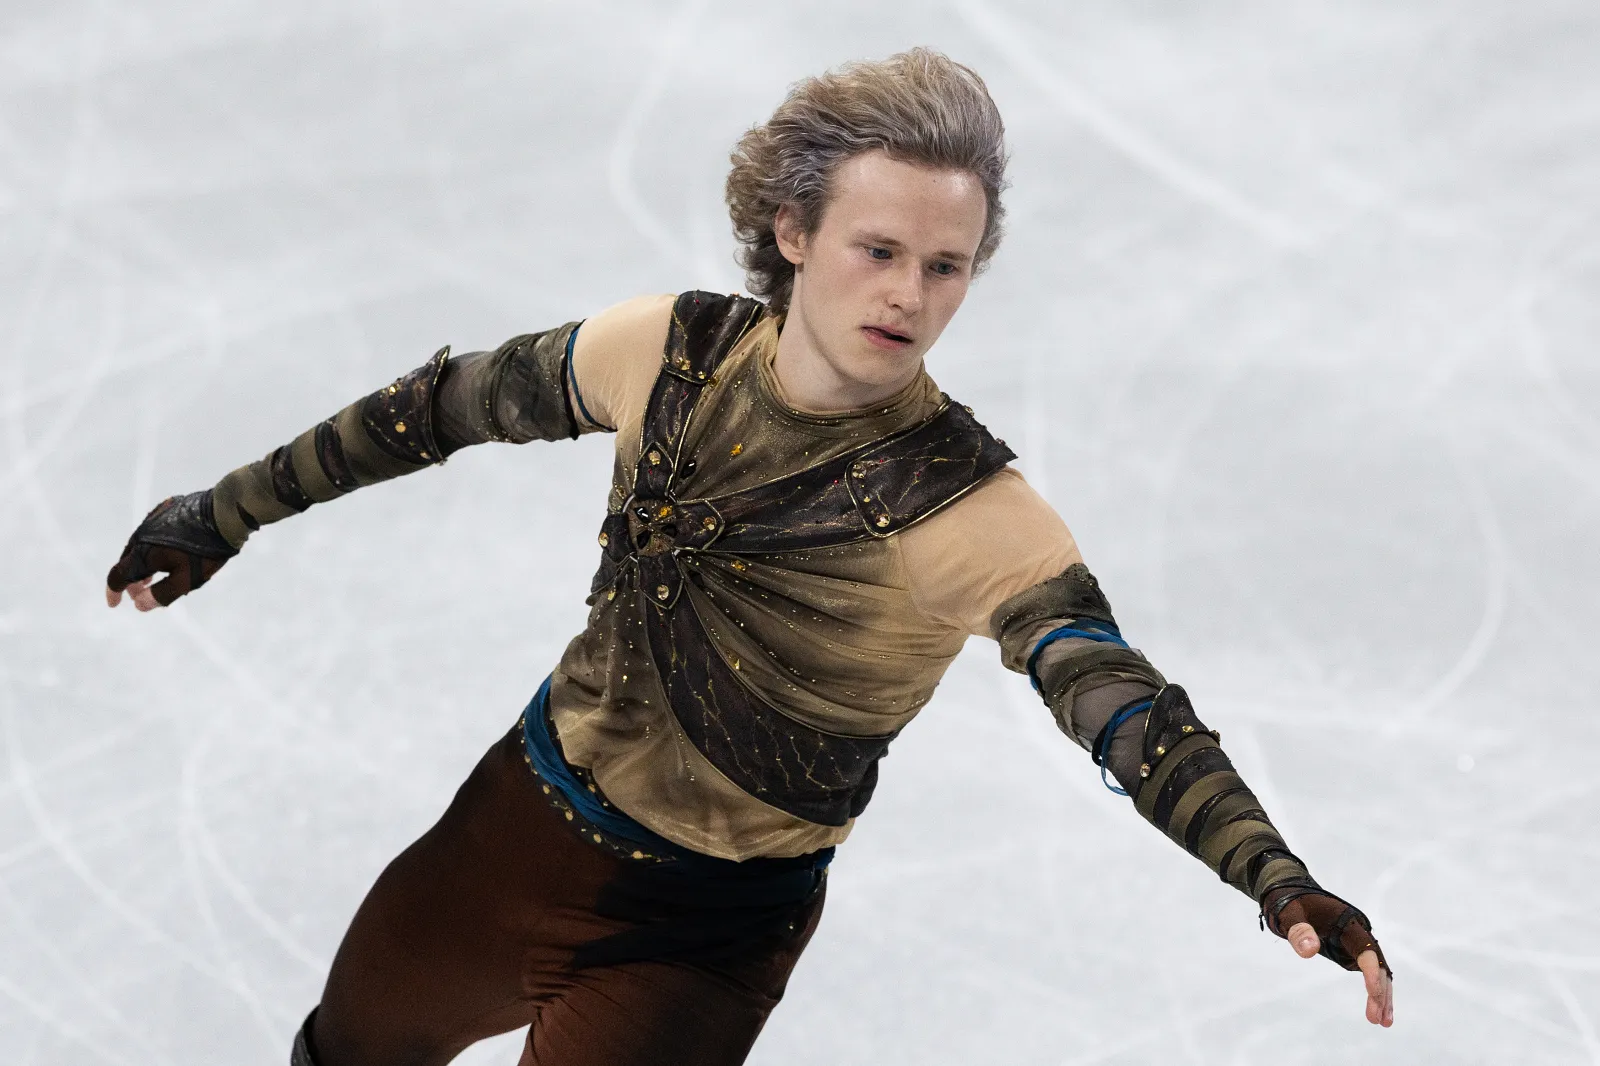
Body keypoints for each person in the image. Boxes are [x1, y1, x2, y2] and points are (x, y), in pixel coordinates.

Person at [104, 47, 1393, 1066]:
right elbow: (430, 411)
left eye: (945, 267)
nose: (909, 294)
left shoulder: (971, 510)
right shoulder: (664, 350)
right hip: (513, 830)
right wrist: (222, 512)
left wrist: (1269, 873)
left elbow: (1122, 704)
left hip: (708, 931)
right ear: (792, 232)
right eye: (877, 251)